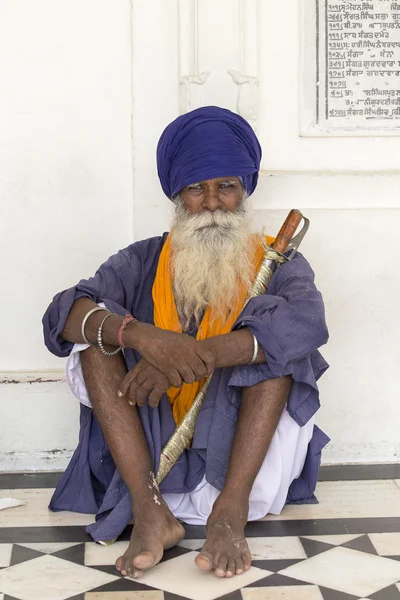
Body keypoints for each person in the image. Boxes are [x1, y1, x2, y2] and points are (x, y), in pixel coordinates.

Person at [43, 106, 329, 580]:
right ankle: (150, 511)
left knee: (279, 347)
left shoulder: (275, 260)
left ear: (244, 191)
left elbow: (308, 322)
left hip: (244, 451)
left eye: (227, 186)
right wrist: (145, 338)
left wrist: (197, 356)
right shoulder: (144, 258)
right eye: (197, 188)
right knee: (93, 340)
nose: (213, 202)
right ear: (178, 195)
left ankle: (228, 514)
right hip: (151, 444)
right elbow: (63, 313)